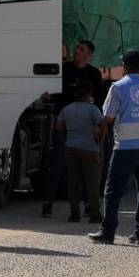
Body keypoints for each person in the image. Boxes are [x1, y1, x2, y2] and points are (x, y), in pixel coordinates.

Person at [89, 50, 139, 245]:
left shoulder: (117, 87)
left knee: (112, 190)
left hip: (125, 146)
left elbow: (107, 117)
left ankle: (107, 232)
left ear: (124, 67)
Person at [42, 40, 104, 217]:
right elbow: (53, 91)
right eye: (76, 48)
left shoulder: (93, 74)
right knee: (57, 166)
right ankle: (47, 204)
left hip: (85, 128)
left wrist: (97, 130)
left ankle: (86, 208)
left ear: (89, 54)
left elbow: (99, 100)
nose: (76, 51)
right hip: (65, 124)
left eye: (81, 49)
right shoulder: (64, 69)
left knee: (86, 171)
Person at [57, 81, 106, 223]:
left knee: (73, 182)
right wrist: (100, 139)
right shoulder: (93, 109)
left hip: (71, 147)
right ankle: (94, 214)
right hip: (90, 148)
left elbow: (59, 126)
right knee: (92, 182)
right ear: (89, 94)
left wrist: (69, 132)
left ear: (75, 94)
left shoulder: (67, 109)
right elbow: (102, 123)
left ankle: (74, 214)